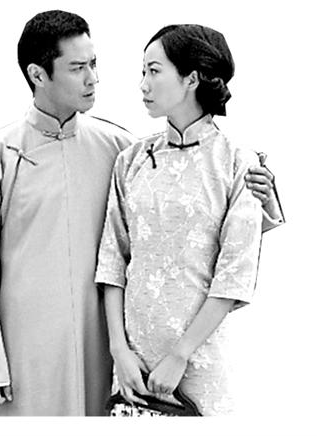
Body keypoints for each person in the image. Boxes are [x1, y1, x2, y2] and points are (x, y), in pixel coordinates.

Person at [0, 11, 283, 416]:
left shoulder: (118, 147)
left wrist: (264, 201)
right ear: (38, 74)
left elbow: (195, 223)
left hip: (109, 345)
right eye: (78, 68)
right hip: (29, 344)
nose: (93, 78)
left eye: (94, 64)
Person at [95, 24, 284, 416]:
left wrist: (181, 354)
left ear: (191, 79)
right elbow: (112, 260)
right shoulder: (131, 160)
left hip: (201, 362)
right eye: (143, 72)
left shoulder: (238, 163)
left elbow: (233, 275)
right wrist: (119, 351)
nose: (143, 84)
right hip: (133, 366)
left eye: (154, 70)